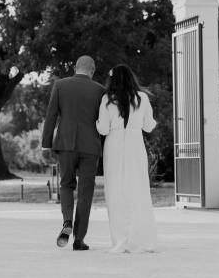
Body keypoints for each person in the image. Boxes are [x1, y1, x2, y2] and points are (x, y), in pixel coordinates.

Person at [41, 55, 105, 251]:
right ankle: (79, 239)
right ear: (92, 70)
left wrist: (46, 145)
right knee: (86, 192)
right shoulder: (101, 90)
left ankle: (67, 222)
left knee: (66, 185)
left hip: (66, 144)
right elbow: (103, 122)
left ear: (75, 67)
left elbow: (51, 115)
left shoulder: (60, 85)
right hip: (90, 147)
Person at [96, 64, 157, 253]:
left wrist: (97, 123)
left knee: (115, 192)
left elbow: (103, 129)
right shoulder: (143, 98)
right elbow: (148, 127)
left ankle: (120, 239)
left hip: (113, 144)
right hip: (135, 144)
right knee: (138, 190)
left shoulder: (107, 99)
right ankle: (140, 239)